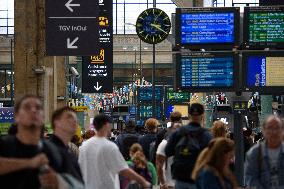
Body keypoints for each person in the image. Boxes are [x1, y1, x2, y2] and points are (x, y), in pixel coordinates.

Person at [0, 95, 67, 189]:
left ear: (43, 117)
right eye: (27, 107)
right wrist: (30, 163)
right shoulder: (4, 145)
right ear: (17, 116)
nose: (33, 110)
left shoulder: (53, 151)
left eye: (38, 108)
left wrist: (57, 182)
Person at [79, 114, 151, 189]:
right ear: (106, 125)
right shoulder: (109, 146)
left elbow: (80, 168)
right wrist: (143, 182)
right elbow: (124, 170)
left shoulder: (84, 146)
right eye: (110, 125)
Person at [165, 103, 213, 189]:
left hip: (181, 179)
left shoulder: (178, 132)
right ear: (202, 116)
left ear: (189, 115)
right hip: (199, 179)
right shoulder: (207, 135)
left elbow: (167, 151)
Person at [245, 115, 284, 189]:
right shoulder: (254, 154)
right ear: (263, 130)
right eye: (270, 128)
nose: (274, 132)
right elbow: (251, 180)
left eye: (277, 128)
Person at [49, 106, 83, 182]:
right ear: (56, 122)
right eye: (69, 117)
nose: (74, 120)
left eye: (75, 118)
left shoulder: (69, 152)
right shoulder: (48, 151)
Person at [156, 112, 182, 189]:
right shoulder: (187, 142)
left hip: (168, 183)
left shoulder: (164, 143)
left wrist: (162, 183)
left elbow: (158, 164)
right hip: (181, 183)